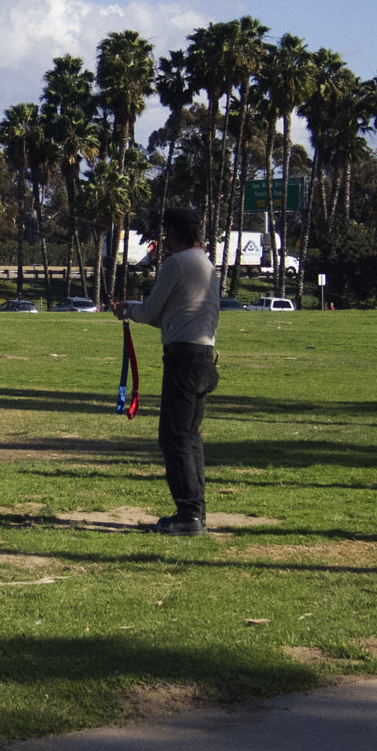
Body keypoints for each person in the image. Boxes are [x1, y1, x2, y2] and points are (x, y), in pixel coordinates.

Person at [117, 206, 220, 535]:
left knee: (173, 437)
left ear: (174, 233)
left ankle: (187, 516)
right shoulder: (206, 264)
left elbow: (149, 311)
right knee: (190, 436)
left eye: (167, 232)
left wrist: (126, 310)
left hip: (183, 359)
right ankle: (197, 511)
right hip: (204, 356)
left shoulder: (176, 264)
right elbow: (172, 317)